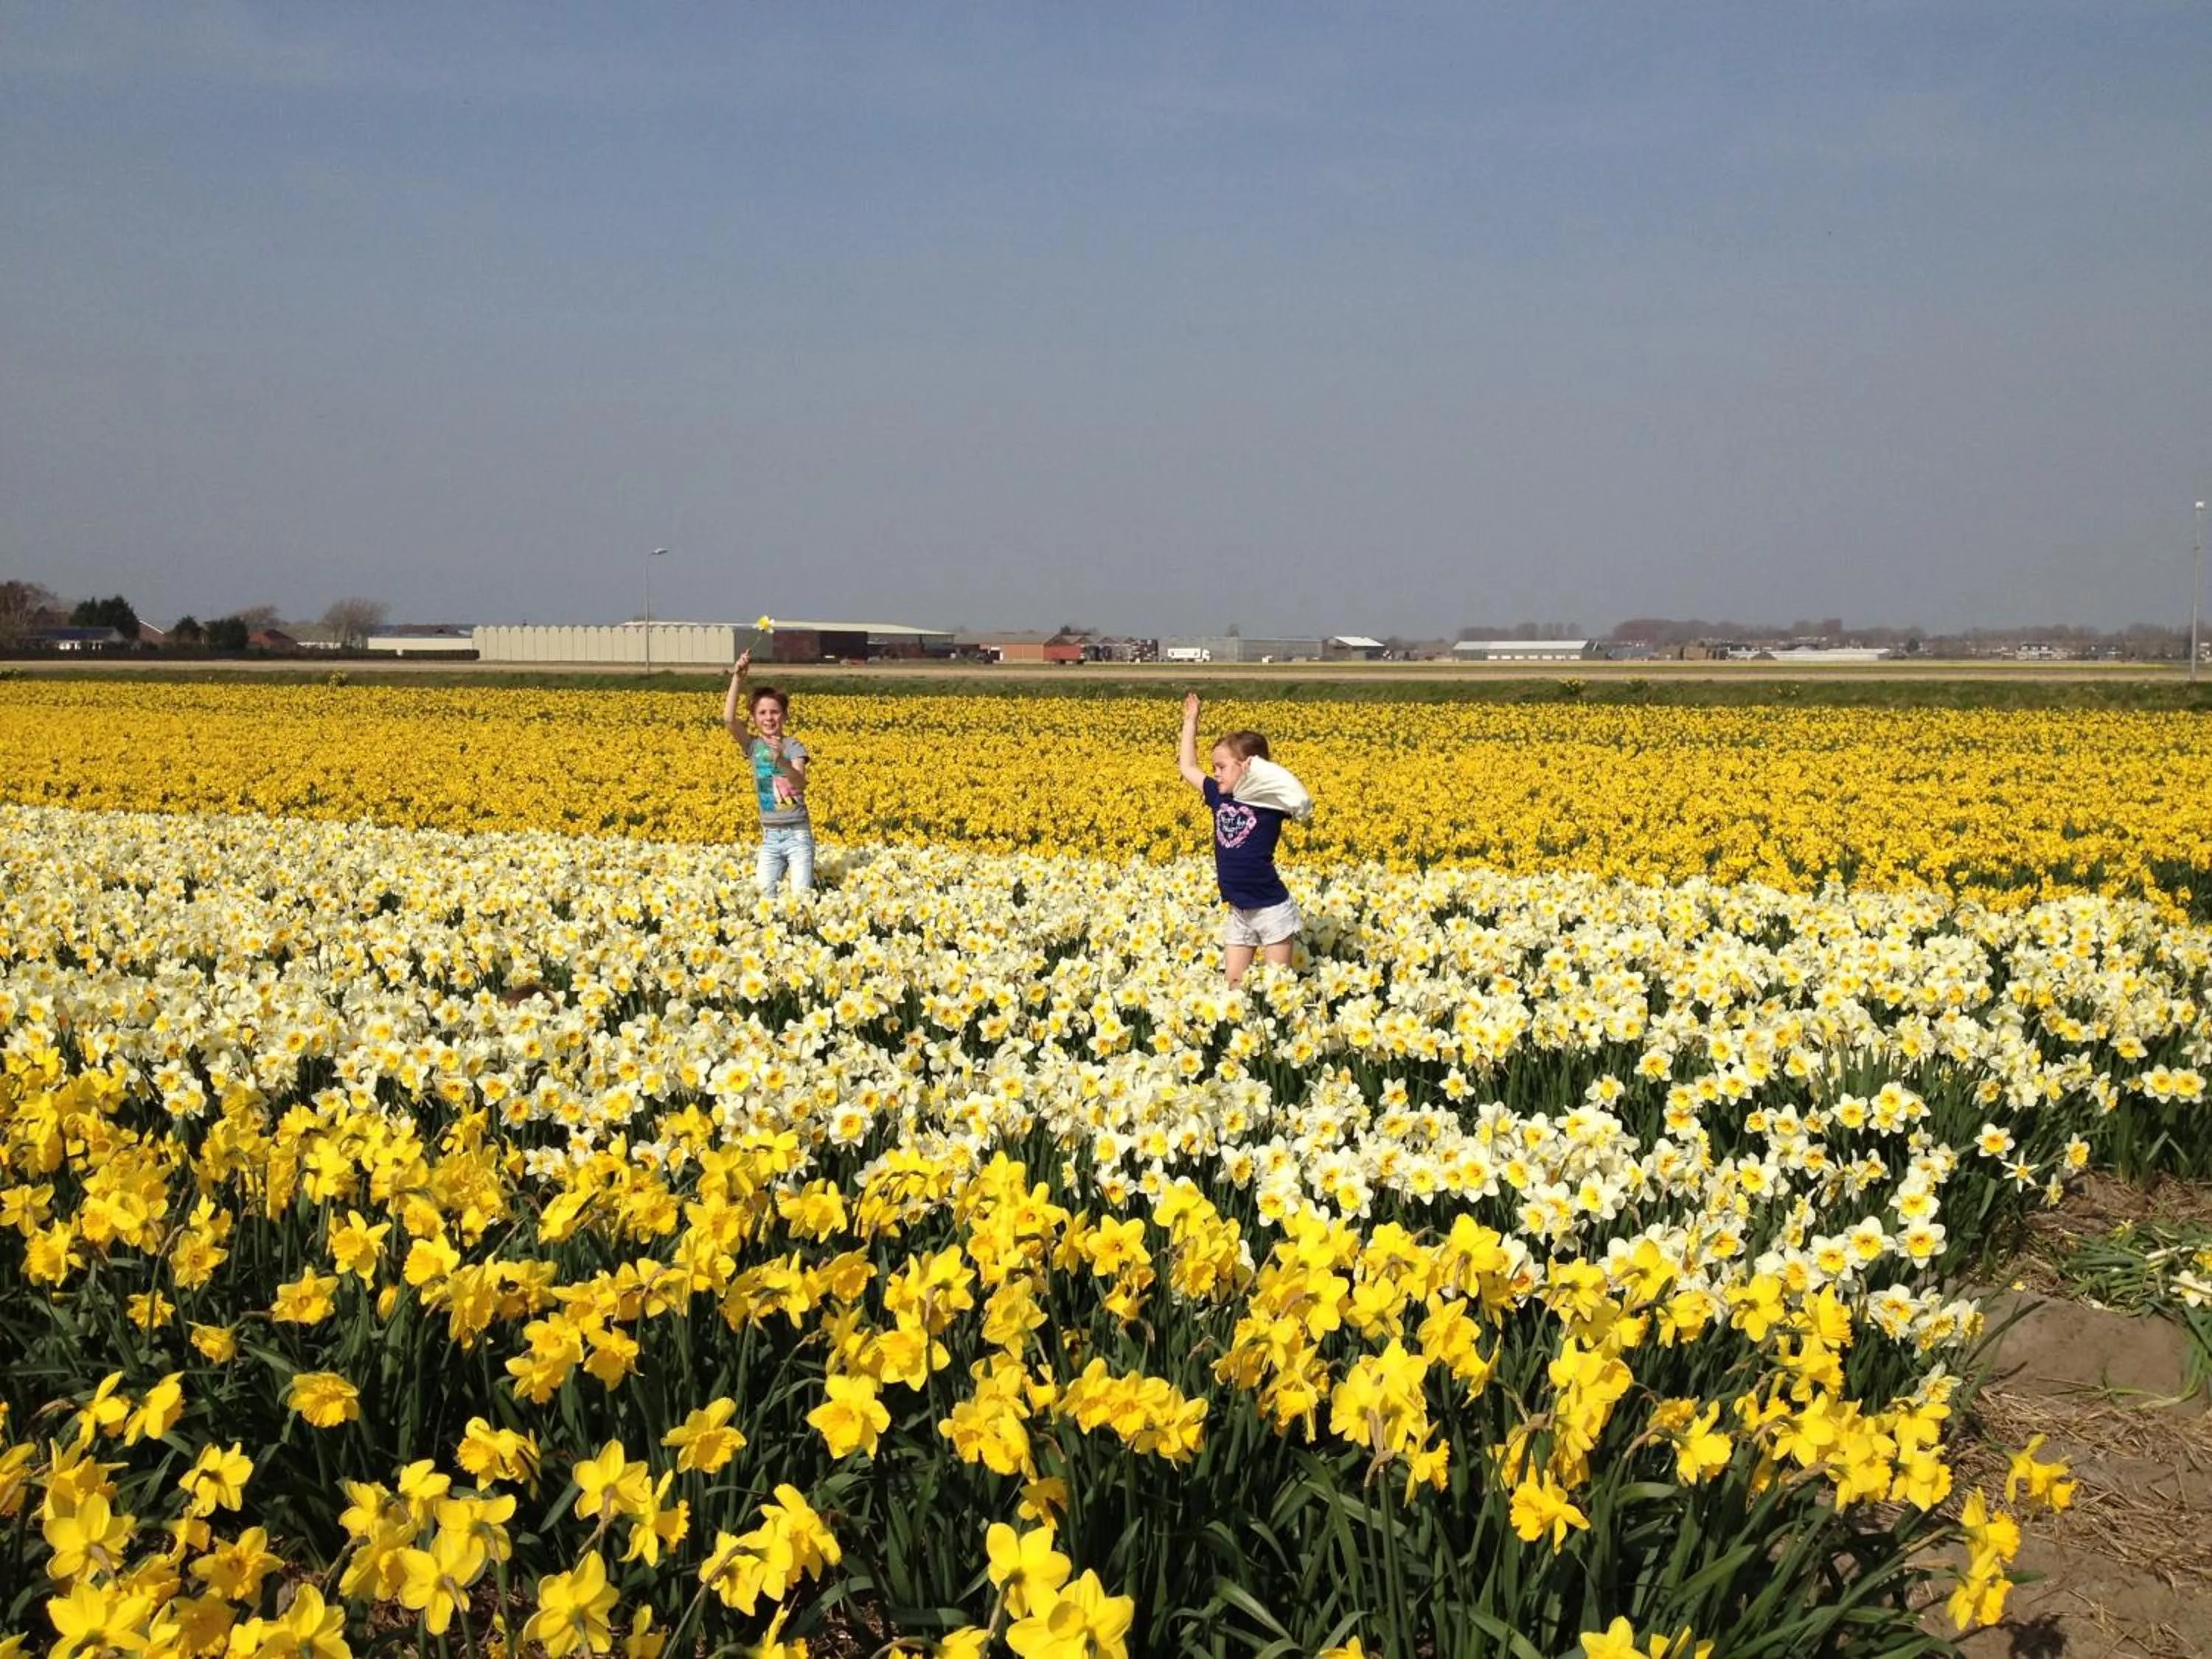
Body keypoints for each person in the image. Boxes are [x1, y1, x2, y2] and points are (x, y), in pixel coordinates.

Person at [1176, 690, 1311, 984]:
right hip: (1239, 909)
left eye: (1222, 767)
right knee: (1233, 988)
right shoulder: (1219, 797)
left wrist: (1259, 771)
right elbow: (1188, 768)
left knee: (1279, 989)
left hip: (1271, 910)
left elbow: (1296, 792)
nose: (1216, 774)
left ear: (1247, 766)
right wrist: (1191, 722)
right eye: (1214, 768)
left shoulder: (1270, 803)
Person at [724, 648, 813, 893]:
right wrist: (738, 678)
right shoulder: (754, 746)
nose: (769, 718)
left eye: (775, 712)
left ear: (784, 715)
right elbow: (729, 721)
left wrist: (782, 760)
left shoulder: (793, 745)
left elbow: (801, 783)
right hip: (770, 837)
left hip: (798, 836)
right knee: (764, 896)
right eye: (762, 713)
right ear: (753, 717)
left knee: (800, 898)